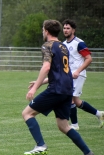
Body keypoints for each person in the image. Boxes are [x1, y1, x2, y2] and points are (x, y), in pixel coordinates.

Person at [22, 20, 94, 155]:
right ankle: (88, 152)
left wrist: (34, 88)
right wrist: (42, 82)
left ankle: (41, 146)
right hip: (67, 90)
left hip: (56, 89)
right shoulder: (63, 46)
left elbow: (46, 66)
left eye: (43, 29)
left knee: (27, 113)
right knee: (64, 126)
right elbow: (62, 72)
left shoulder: (47, 45)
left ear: (47, 31)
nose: (42, 31)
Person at [62, 19, 104, 130]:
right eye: (64, 28)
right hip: (69, 75)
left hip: (78, 75)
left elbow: (89, 59)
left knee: (69, 98)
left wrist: (78, 71)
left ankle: (75, 125)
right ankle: (99, 114)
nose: (65, 30)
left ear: (73, 30)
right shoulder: (63, 44)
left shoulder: (79, 43)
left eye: (68, 28)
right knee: (76, 101)